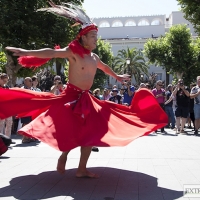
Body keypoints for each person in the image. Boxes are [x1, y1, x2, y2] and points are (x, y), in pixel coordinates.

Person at [2, 2, 167, 178]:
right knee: (71, 132)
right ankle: (64, 155)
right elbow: (51, 52)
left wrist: (118, 77)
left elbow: (105, 67)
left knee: (89, 134)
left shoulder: (94, 57)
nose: (96, 39)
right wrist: (24, 51)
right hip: (70, 99)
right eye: (93, 36)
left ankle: (82, 169)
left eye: (97, 36)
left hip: (87, 99)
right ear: (83, 38)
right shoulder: (72, 52)